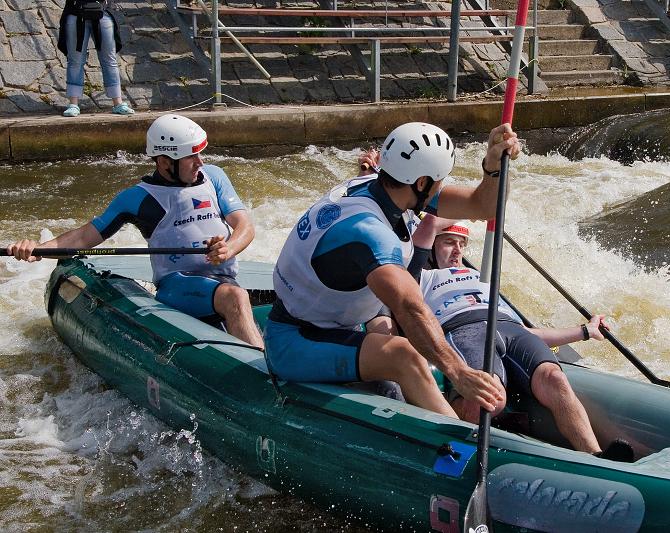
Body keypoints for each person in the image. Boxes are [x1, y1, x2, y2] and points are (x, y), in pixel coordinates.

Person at [266, 122, 521, 418]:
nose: (441, 187)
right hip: (294, 341)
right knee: (404, 355)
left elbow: (483, 207)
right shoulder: (369, 232)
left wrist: (493, 168)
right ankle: (457, 439)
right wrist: (459, 372)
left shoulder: (386, 188)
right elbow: (411, 309)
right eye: (440, 181)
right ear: (422, 183)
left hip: (339, 322)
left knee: (389, 343)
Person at [6, 114, 263, 350]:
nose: (200, 162)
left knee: (236, 295)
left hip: (223, 280)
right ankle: (264, 377)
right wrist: (37, 249)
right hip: (178, 286)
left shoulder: (214, 177)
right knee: (236, 297)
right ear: (164, 162)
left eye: (200, 153)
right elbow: (84, 237)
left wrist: (228, 248)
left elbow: (245, 226)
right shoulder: (137, 199)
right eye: (191, 157)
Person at [411, 215, 634, 461]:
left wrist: (584, 331)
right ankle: (455, 443)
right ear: (432, 247)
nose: (457, 250)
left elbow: (529, 332)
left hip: (509, 328)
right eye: (448, 243)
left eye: (462, 244)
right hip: (464, 328)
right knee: (489, 399)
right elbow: (426, 227)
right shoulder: (422, 277)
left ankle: (595, 455)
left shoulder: (482, 277)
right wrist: (481, 210)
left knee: (555, 378)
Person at [57, 0, 134, 117]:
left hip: (102, 12)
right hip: (76, 13)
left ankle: (118, 103)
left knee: (110, 61)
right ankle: (73, 104)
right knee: (75, 61)